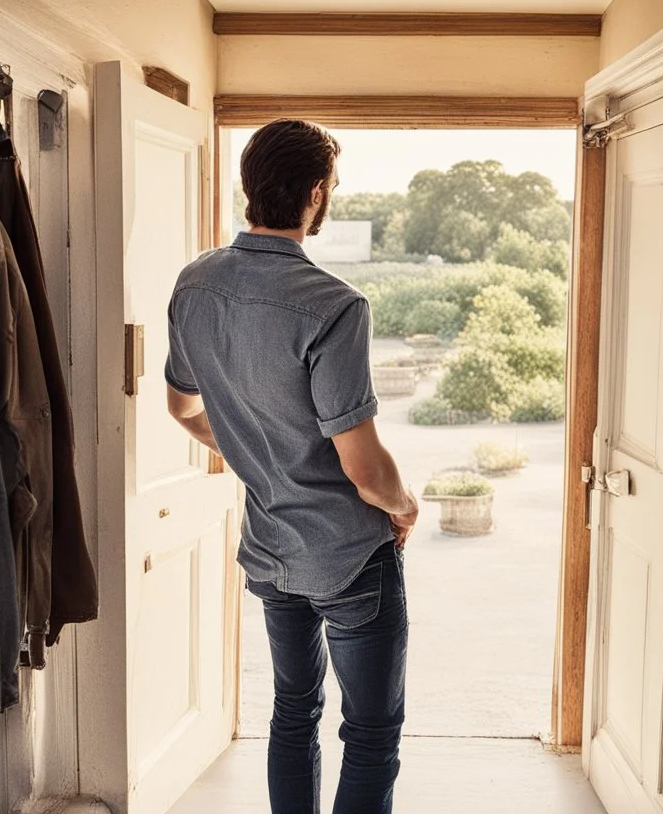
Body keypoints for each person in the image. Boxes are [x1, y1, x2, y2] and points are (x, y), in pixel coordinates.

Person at [163, 118, 418, 814]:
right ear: (315, 194)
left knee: (293, 711)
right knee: (369, 733)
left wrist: (258, 451)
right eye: (330, 185)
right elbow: (365, 470)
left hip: (269, 549)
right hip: (347, 559)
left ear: (251, 187)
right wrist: (404, 505)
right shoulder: (334, 306)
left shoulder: (195, 284)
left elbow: (183, 410)